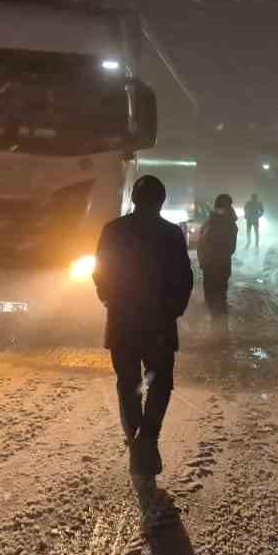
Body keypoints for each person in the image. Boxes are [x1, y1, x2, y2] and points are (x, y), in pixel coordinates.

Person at [94, 175, 195, 476]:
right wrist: (173, 311)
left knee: (128, 384)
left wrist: (109, 299)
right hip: (159, 323)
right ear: (161, 201)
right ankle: (147, 439)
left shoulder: (113, 230)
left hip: (122, 320)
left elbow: (100, 271)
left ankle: (135, 439)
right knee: (160, 382)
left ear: (135, 200)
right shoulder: (171, 234)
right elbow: (184, 279)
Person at [196, 193, 239, 325]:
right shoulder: (228, 223)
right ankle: (219, 328)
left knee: (213, 297)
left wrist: (204, 261)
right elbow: (231, 248)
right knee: (219, 296)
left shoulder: (212, 221)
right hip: (220, 266)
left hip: (211, 266)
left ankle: (219, 329)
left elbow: (202, 243)